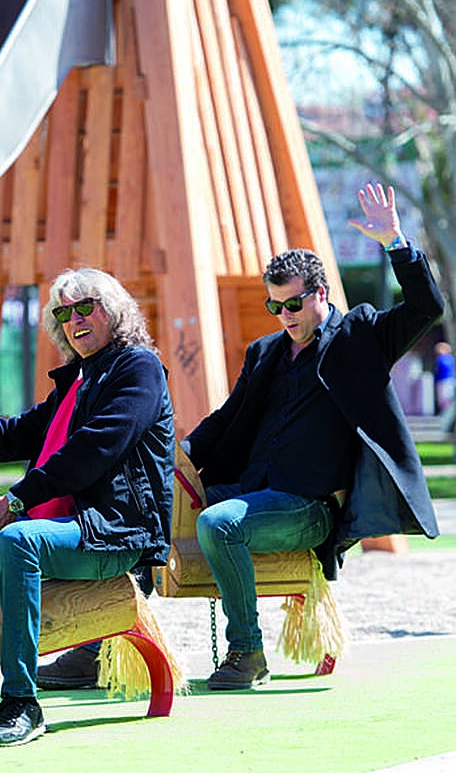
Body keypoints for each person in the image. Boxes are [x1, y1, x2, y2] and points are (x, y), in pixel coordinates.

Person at [0, 268, 175, 746]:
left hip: (115, 533)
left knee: (19, 538)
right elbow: (4, 439)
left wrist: (16, 500)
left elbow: (94, 450)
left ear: (114, 310)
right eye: (64, 313)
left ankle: (21, 701)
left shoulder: (139, 369)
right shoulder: (75, 383)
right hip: (64, 528)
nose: (74, 319)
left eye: (86, 307)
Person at [180, 182, 443, 691]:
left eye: (294, 304)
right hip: (252, 491)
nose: (286, 316)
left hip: (310, 507)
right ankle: (100, 647)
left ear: (321, 293)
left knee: (217, 522)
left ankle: (247, 653)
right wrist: (177, 457)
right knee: (153, 509)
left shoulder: (360, 336)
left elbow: (426, 307)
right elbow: (227, 418)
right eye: (275, 306)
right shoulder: (264, 352)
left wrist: (395, 242)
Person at [434, 341, 455, 415]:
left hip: (446, 380)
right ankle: (445, 412)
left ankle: (447, 413)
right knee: (443, 398)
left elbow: (443, 368)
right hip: (443, 380)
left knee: (446, 397)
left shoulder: (445, 358)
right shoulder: (443, 358)